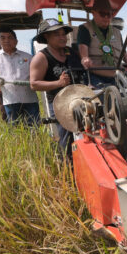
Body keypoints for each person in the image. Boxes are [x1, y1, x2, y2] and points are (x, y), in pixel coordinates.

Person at [30, 18, 82, 156]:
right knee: (67, 140)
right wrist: (58, 83)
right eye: (57, 34)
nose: (62, 37)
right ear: (46, 37)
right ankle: (68, 166)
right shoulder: (41, 58)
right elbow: (34, 84)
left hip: (80, 98)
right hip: (60, 103)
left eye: (63, 34)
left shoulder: (71, 52)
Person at [0, 29, 39, 126]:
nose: (6, 41)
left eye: (10, 38)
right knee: (15, 129)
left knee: (34, 127)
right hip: (10, 100)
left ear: (16, 41)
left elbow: (37, 74)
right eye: (3, 38)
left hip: (30, 99)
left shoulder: (28, 57)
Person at [77, 0, 127, 88]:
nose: (106, 17)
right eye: (102, 14)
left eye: (109, 14)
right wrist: (85, 59)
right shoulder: (85, 29)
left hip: (118, 75)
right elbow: (84, 55)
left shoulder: (117, 32)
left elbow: (124, 53)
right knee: (102, 98)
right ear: (93, 13)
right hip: (96, 75)